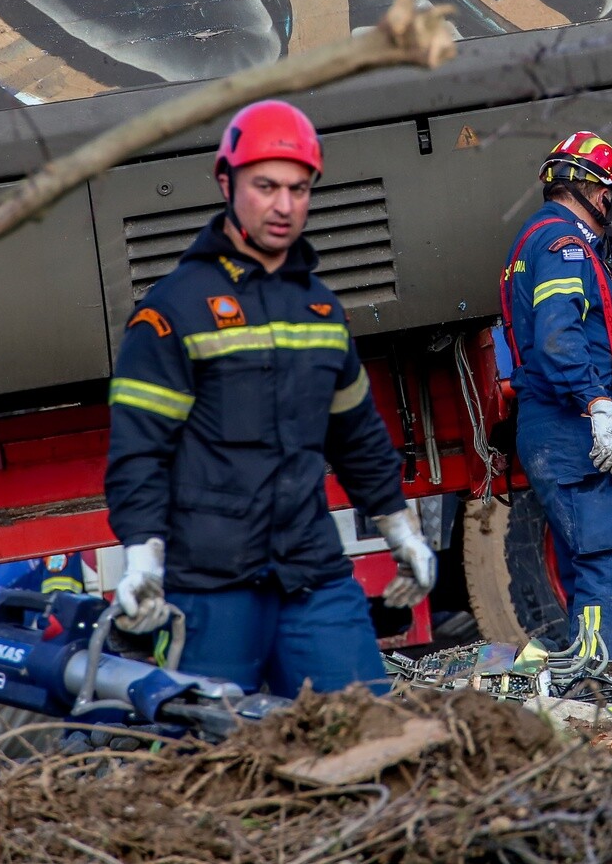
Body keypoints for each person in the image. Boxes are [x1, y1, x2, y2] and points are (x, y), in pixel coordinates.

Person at [102, 100, 436, 696]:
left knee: (370, 737)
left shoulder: (320, 310)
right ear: (225, 182)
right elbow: (139, 454)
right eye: (266, 186)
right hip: (211, 588)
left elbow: (356, 435)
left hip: (313, 576)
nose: (284, 206)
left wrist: (401, 531)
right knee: (218, 759)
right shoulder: (171, 312)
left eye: (299, 189)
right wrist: (141, 557)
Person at [500, 131, 612, 659]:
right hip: (572, 426)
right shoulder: (564, 244)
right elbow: (559, 334)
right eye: (609, 191)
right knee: (611, 563)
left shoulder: (538, 240)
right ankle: (606, 684)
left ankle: (587, 674)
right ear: (589, 187)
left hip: (554, 424)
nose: (611, 203)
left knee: (587, 566)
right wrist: (598, 405)